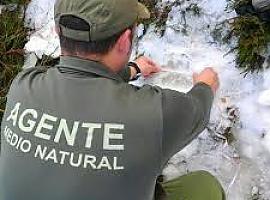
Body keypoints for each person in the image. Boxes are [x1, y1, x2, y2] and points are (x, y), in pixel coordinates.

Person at [0, 0, 224, 199]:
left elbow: (80, 76)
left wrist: (131, 70)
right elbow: (197, 109)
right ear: (126, 40)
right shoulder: (151, 114)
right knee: (205, 186)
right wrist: (206, 84)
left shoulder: (23, 86)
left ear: (58, 31)